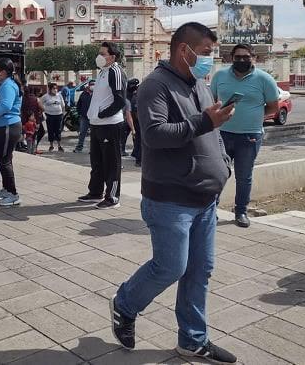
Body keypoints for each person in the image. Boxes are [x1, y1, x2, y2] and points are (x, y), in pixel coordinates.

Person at [110, 22, 236, 364]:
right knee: (171, 267)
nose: (210, 60)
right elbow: (154, 135)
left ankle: (193, 340)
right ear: (185, 50)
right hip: (170, 200)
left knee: (200, 270)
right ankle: (124, 304)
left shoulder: (200, 84)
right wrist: (205, 122)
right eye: (207, 53)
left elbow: (212, 132)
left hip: (204, 199)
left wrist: (222, 163)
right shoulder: (155, 85)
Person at [210, 43, 279, 228]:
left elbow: (273, 107)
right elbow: (212, 101)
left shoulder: (264, 79)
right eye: (238, 57)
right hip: (222, 133)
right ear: (231, 58)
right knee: (218, 173)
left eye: (246, 57)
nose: (242, 60)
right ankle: (210, 210)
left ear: (253, 58)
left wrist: (254, 117)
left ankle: (241, 211)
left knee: (244, 176)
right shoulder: (220, 76)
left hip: (250, 136)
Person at [78, 42, 127, 209]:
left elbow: (120, 99)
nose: (99, 56)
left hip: (110, 124)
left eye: (103, 53)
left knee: (111, 163)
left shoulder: (116, 71)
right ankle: (95, 192)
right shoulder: (102, 72)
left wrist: (103, 113)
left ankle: (112, 197)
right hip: (97, 124)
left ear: (112, 57)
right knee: (97, 162)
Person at [0, 58, 23, 206]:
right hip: (1, 127)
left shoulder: (8, 85)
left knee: (5, 160)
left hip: (8, 126)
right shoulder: (4, 84)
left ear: (2, 71)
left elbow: (5, 107)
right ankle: (7, 189)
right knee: (2, 159)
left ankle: (13, 194)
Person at [41, 82, 65, 152]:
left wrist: (63, 113)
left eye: (56, 88)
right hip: (49, 115)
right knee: (50, 130)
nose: (55, 90)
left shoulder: (59, 95)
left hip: (58, 115)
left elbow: (63, 105)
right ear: (50, 89)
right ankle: (51, 145)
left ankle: (59, 145)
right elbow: (40, 103)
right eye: (53, 88)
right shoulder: (46, 96)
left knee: (58, 130)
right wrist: (43, 111)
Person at [21, 85, 44, 154]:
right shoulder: (36, 99)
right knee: (35, 135)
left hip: (24, 120)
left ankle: (29, 150)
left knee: (28, 135)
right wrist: (40, 113)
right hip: (35, 120)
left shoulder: (22, 99)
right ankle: (33, 150)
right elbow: (42, 108)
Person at [74, 81, 93, 153]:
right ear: (88, 86)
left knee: (93, 134)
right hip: (84, 117)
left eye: (94, 85)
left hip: (94, 118)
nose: (92, 86)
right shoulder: (83, 94)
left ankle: (93, 149)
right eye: (91, 85)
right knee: (82, 133)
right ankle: (79, 148)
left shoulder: (97, 94)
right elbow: (79, 104)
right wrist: (80, 113)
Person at [126, 78, 141, 166]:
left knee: (137, 140)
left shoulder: (132, 96)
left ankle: (135, 154)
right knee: (139, 141)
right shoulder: (135, 97)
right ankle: (138, 160)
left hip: (135, 122)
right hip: (136, 122)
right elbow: (135, 113)